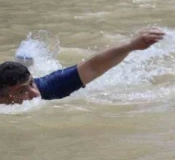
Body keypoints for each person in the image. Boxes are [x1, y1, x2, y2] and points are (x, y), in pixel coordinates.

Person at [0, 28, 164, 105]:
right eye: (22, 92)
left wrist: (131, 46)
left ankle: (26, 62)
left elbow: (93, 67)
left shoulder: (46, 88)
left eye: (31, 84)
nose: (34, 94)